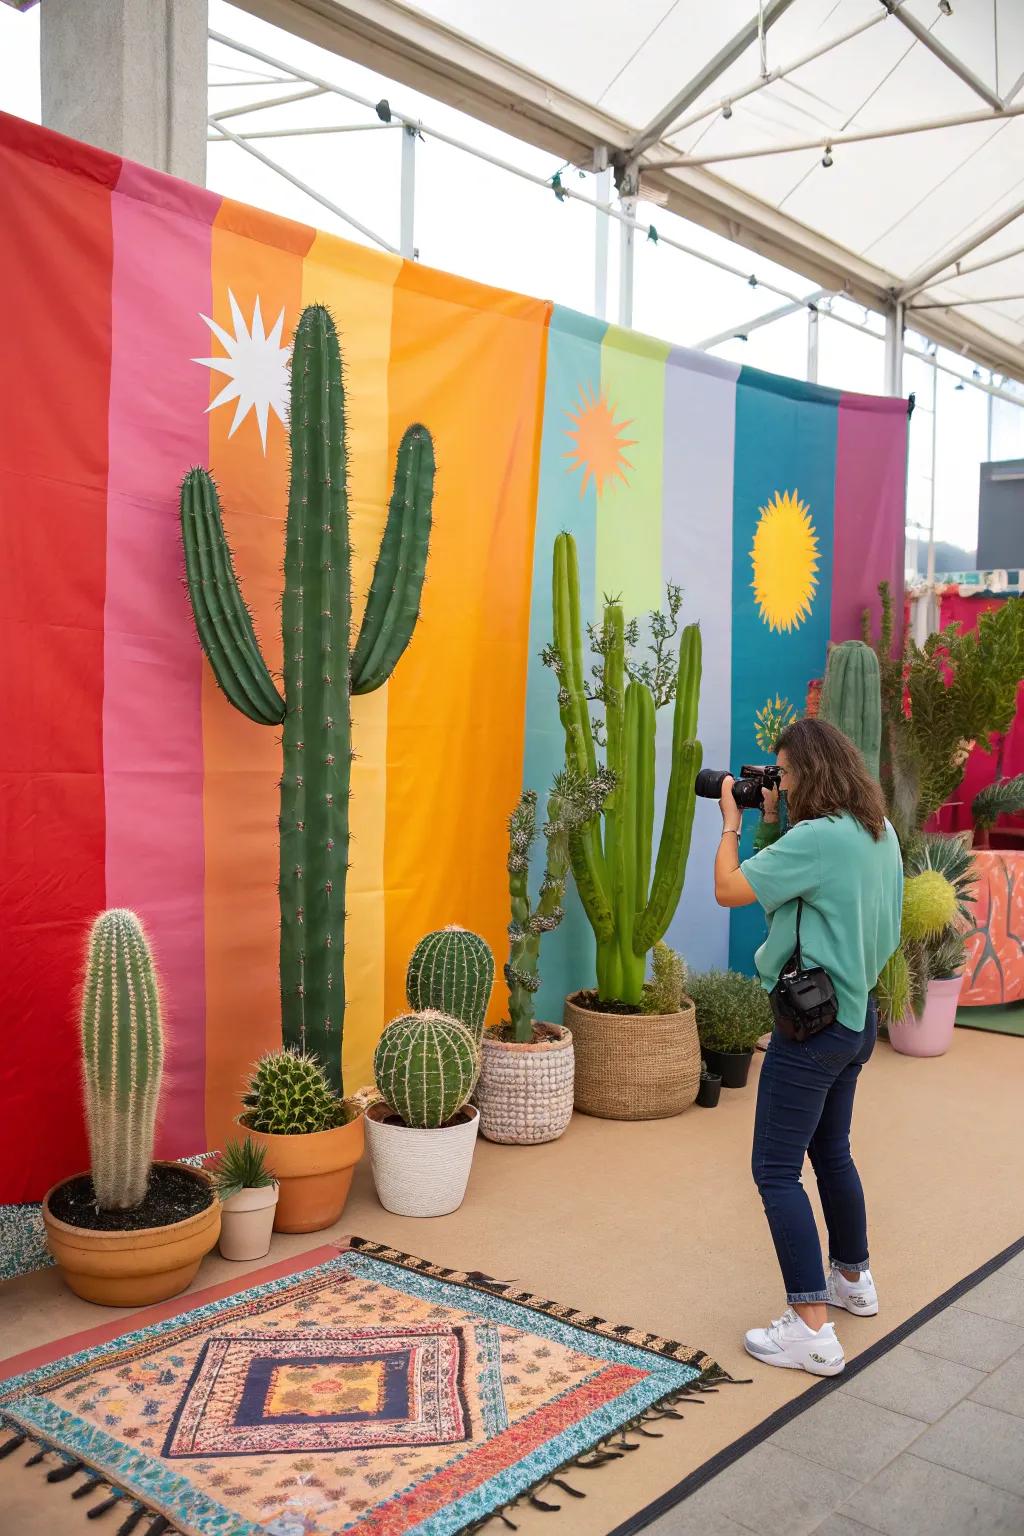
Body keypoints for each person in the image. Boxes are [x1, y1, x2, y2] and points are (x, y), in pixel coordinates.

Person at [713, 718, 903, 1377]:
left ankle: (811, 1328)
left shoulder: (818, 840)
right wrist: (774, 820)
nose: (781, 784)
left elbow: (731, 890)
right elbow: (802, 896)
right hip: (856, 1022)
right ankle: (853, 1278)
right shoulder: (877, 832)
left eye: (786, 773)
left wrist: (732, 825)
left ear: (812, 772)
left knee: (774, 1169)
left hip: (811, 1030)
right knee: (831, 1153)